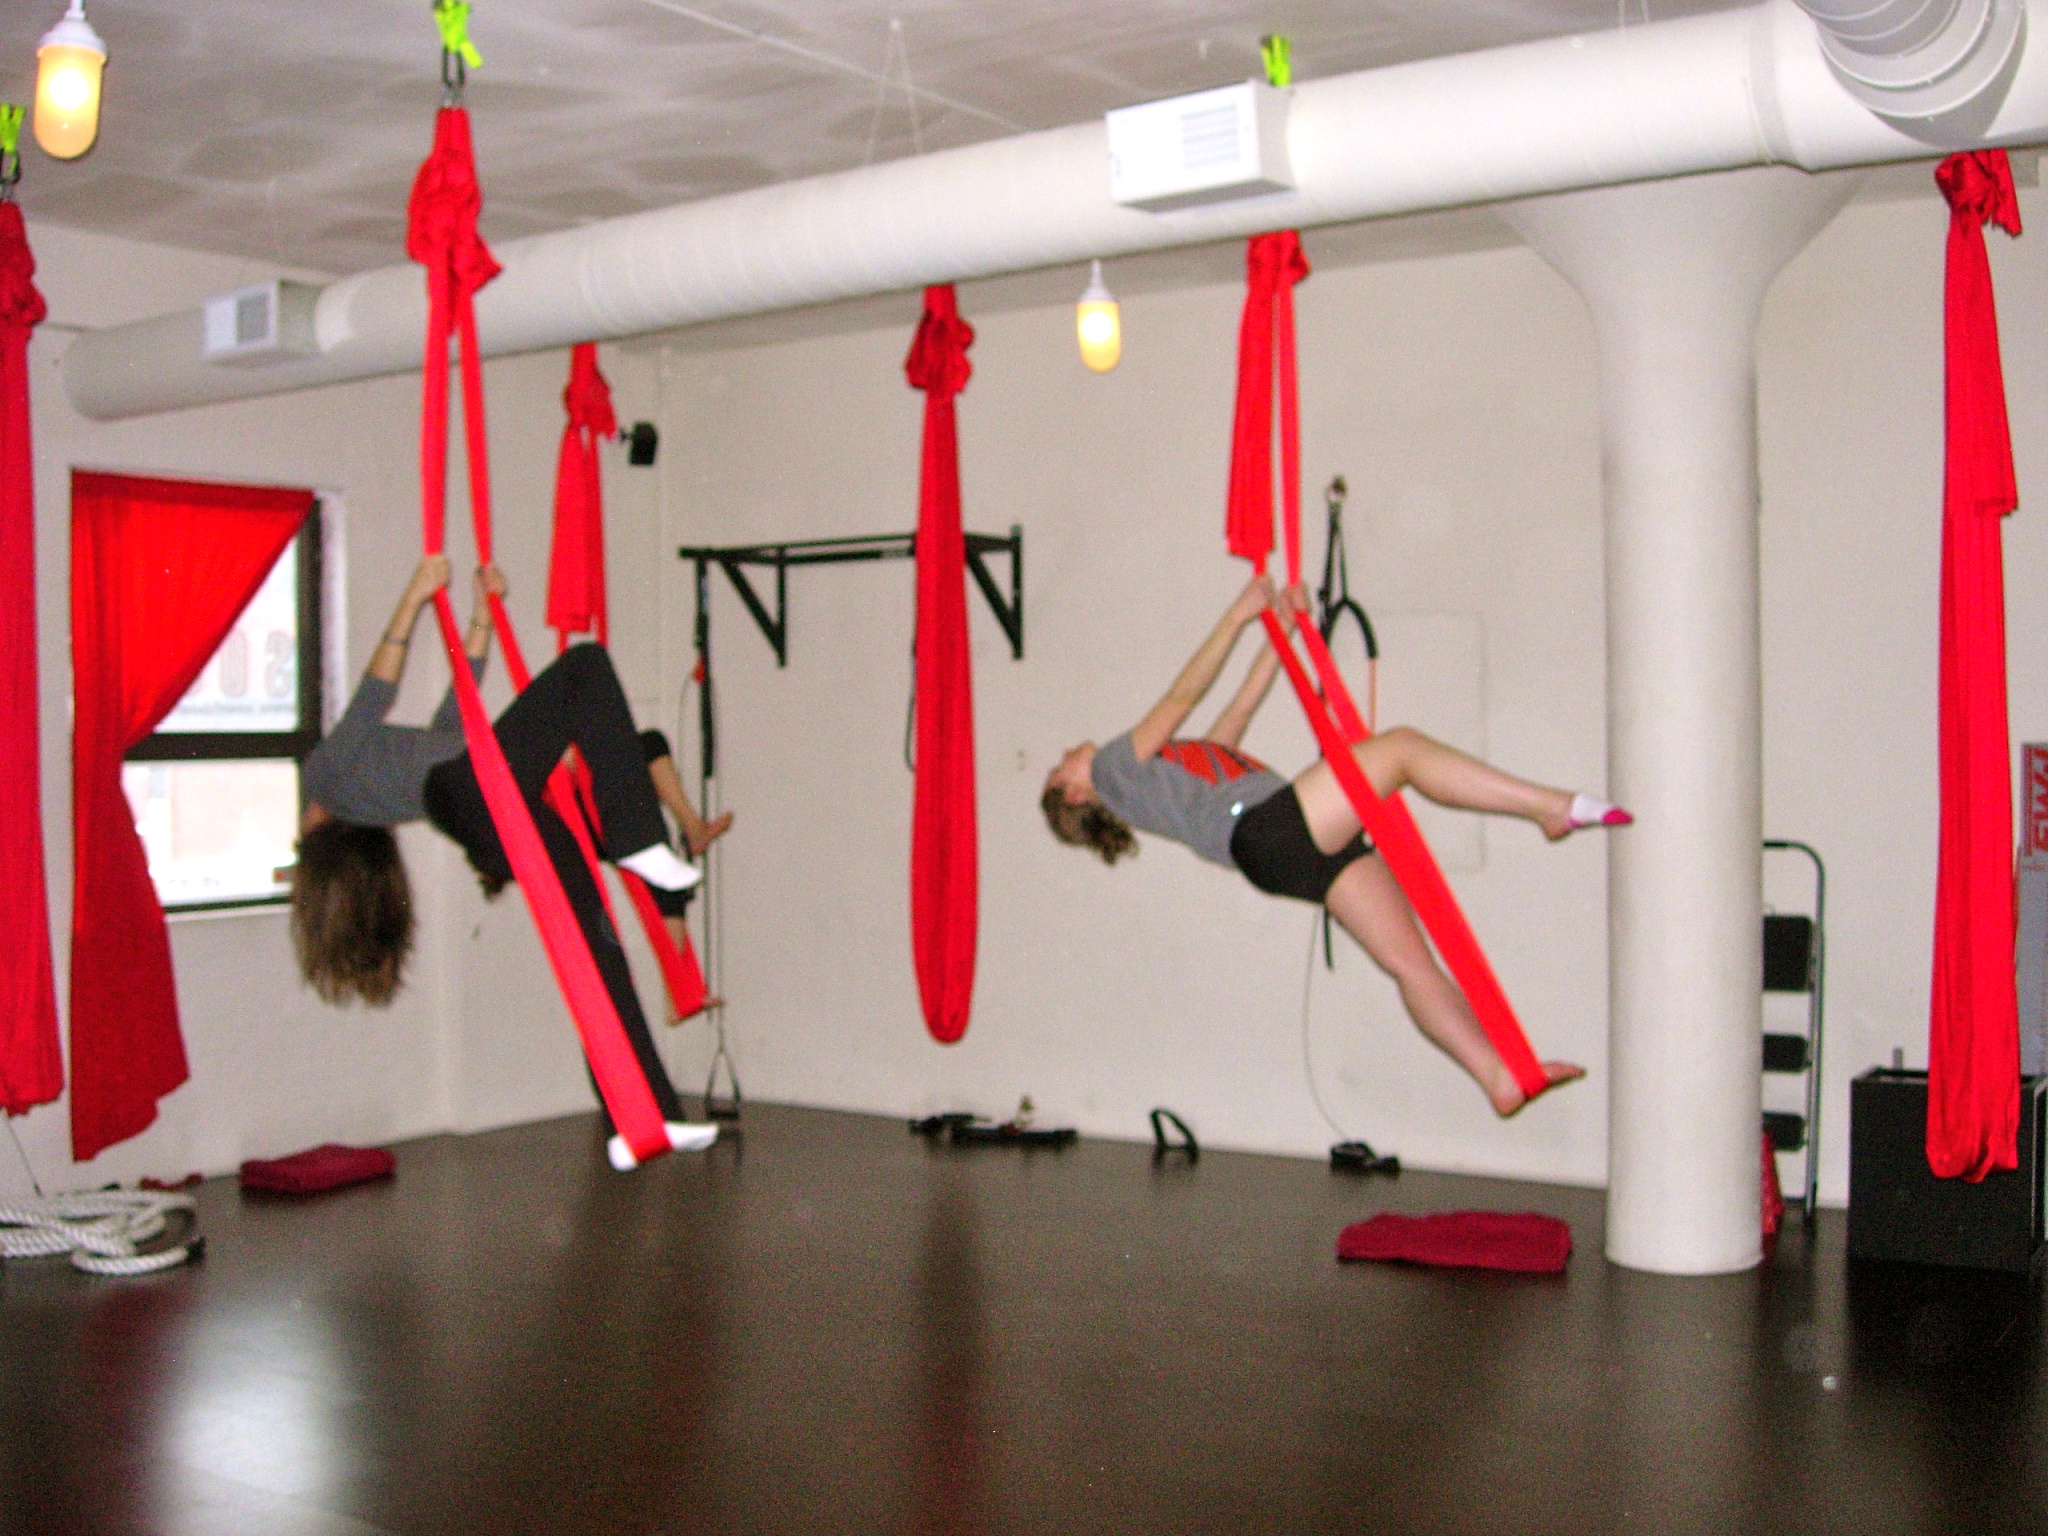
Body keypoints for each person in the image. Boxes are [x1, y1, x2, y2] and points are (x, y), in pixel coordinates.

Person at [1042, 575, 1630, 1117]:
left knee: (1409, 962)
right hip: (1267, 830)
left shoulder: (1158, 783)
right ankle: (1547, 808)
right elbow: (1181, 696)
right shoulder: (1116, 773)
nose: (1067, 751)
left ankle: (1495, 1076)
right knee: (1398, 749)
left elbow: (1235, 712)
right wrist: (1238, 616)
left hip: (1274, 854)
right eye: (1058, 767)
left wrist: (1283, 630)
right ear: (1074, 794)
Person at [292, 555, 732, 1127]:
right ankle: (637, 845)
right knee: (586, 670)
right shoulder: (323, 777)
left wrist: (479, 614)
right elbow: (375, 692)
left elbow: (458, 713)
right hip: (475, 795)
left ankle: (649, 1112)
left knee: (595, 947)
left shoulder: (360, 793)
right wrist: (414, 596)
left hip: (489, 813)